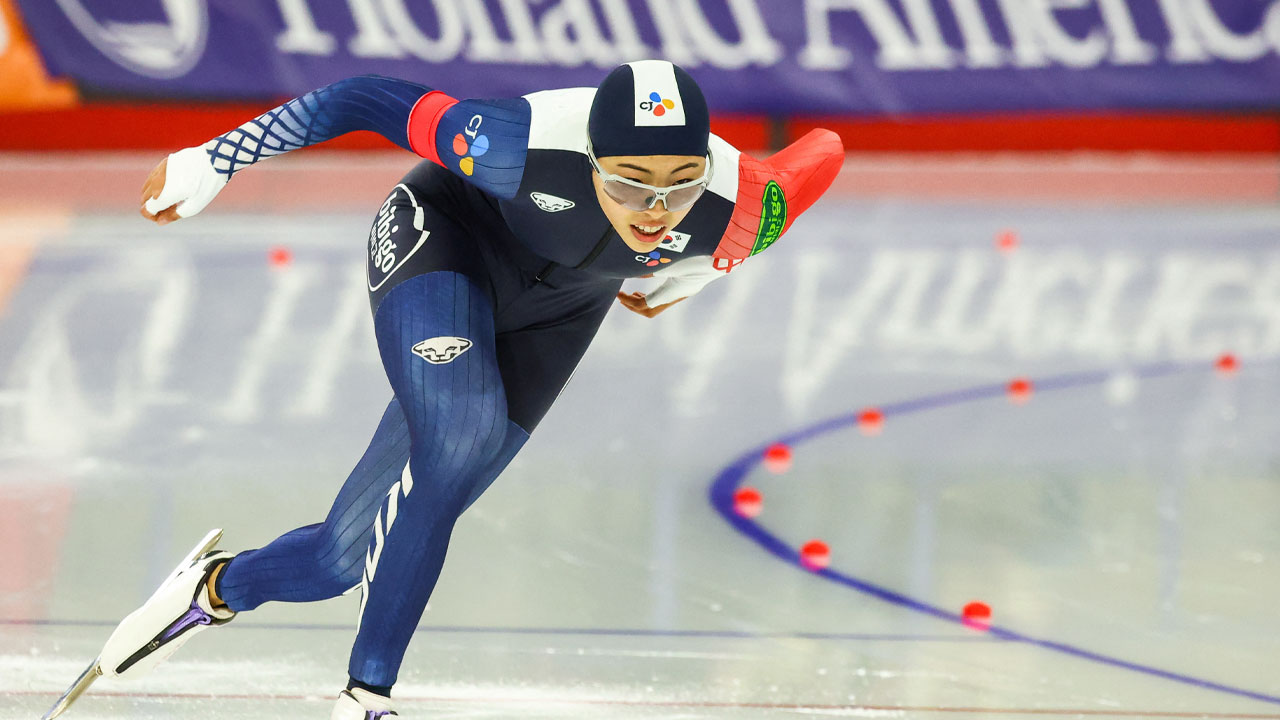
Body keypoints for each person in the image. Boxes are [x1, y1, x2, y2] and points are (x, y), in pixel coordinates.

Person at [86, 61, 843, 719]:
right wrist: (215, 159)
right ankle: (366, 697)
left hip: (562, 312)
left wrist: (706, 267)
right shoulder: (513, 144)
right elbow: (358, 96)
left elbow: (825, 151)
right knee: (461, 437)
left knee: (341, 560)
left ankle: (215, 589)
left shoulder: (743, 205)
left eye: (680, 189)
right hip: (444, 242)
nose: (655, 211)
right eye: (629, 183)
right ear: (588, 161)